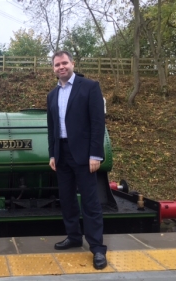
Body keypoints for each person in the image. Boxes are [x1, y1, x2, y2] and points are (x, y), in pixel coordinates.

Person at [47, 50, 107, 270]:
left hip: (84, 155)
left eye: (64, 63)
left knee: (90, 203)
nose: (61, 67)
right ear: (53, 68)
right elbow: (52, 127)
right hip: (61, 154)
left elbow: (97, 123)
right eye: (57, 65)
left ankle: (97, 248)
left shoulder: (90, 87)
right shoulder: (52, 95)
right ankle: (73, 237)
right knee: (67, 199)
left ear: (72, 63)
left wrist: (95, 154)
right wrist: (52, 153)